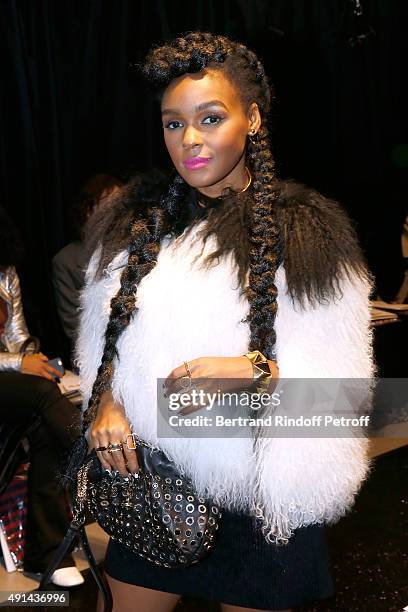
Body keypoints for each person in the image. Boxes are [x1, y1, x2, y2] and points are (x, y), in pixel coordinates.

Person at [76, 33, 375, 612]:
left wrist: (257, 371)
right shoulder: (131, 227)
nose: (189, 139)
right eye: (172, 123)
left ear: (253, 118)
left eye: (210, 118)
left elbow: (346, 398)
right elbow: (100, 345)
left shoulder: (309, 235)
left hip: (261, 496)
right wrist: (105, 402)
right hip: (157, 485)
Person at [0, 207, 83, 587]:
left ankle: (46, 553)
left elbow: (17, 333)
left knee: (47, 416)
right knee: (40, 393)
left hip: (8, 380)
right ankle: (96, 455)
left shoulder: (4, 271)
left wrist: (33, 358)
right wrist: (22, 364)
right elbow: (16, 357)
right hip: (9, 376)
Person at [52, 174, 122, 353]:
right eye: (108, 203)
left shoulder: (141, 249)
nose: (117, 209)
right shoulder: (67, 260)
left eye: (122, 202)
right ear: (88, 211)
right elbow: (74, 326)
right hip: (97, 356)